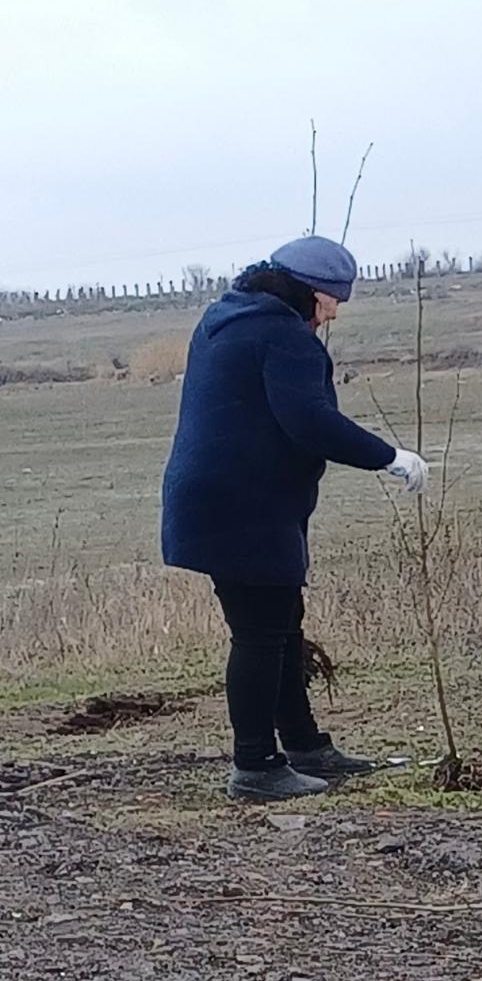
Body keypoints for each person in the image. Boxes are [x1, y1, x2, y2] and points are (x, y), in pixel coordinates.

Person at [160, 237, 428, 801]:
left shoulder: (225, 318)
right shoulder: (285, 338)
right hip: (246, 505)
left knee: (280, 625)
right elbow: (309, 422)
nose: (334, 312)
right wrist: (389, 457)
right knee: (260, 633)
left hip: (216, 497)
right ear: (307, 293)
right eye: (331, 299)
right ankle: (255, 766)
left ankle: (305, 748)